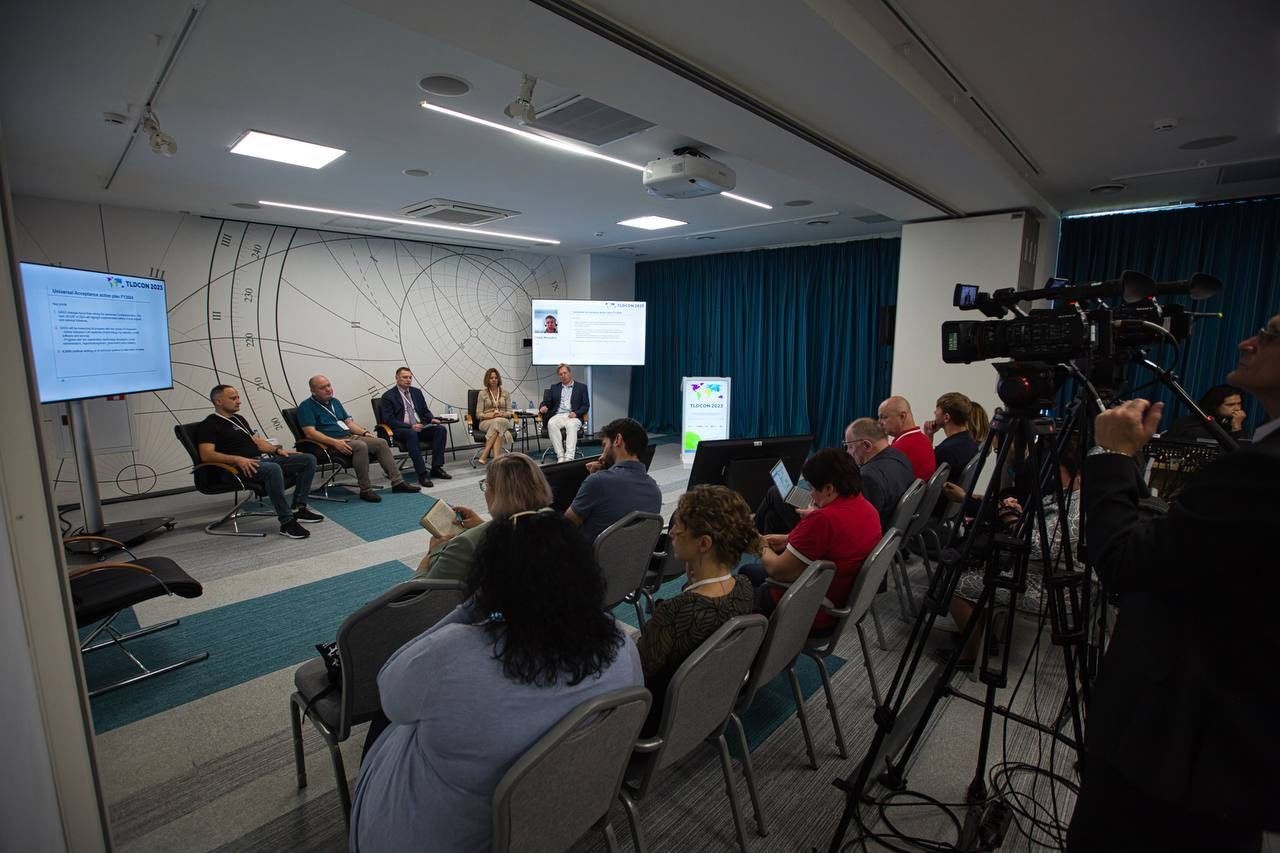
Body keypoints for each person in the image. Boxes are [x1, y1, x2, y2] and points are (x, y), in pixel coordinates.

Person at [1065, 314, 1280, 852]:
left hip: (1182, 746)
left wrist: (1111, 456)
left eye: (1271, 335)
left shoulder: (1264, 471)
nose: (1247, 341)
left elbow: (1124, 562)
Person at [350, 512, 642, 853]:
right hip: (558, 812)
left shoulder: (452, 653)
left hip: (445, 838)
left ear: (490, 584)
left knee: (399, 726)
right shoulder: (621, 645)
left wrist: (468, 610)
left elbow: (389, 693)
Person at [947, 440, 1082, 666]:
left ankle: (973, 654)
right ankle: (980, 635)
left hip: (1052, 588)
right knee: (972, 565)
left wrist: (1009, 517)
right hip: (1042, 573)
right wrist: (1018, 512)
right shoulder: (1065, 496)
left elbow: (1038, 547)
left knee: (956, 584)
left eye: (1056, 472)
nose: (1051, 477)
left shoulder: (1074, 511)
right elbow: (1040, 526)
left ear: (1077, 474)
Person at [636, 485, 756, 733]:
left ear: (704, 543)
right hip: (709, 708)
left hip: (658, 723)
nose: (672, 532)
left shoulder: (673, 613)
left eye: (679, 526)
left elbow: (637, 677)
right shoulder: (744, 587)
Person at [742, 449, 882, 631]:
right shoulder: (867, 508)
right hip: (840, 598)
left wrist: (761, 545)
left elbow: (778, 571)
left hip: (813, 610)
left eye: (812, 488)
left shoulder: (824, 520)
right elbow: (837, 542)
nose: (811, 495)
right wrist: (788, 539)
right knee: (750, 569)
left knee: (741, 586)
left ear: (829, 489)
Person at [196, 385, 323, 539]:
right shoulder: (209, 425)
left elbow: (256, 442)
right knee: (272, 469)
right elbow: (207, 455)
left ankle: (299, 508)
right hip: (233, 469)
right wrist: (238, 459)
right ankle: (287, 522)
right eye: (233, 398)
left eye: (238, 397)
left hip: (258, 462)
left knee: (308, 459)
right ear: (218, 401)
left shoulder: (238, 419)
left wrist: (277, 450)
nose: (239, 401)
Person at [417, 453, 551, 582]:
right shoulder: (552, 521)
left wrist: (431, 553)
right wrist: (482, 524)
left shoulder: (466, 543)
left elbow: (421, 593)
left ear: (497, 493)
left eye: (486, 485)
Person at [298, 374, 420, 502]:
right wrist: (334, 442)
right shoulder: (306, 406)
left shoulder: (335, 402)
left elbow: (349, 423)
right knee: (360, 446)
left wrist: (364, 433)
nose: (328, 389)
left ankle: (398, 482)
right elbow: (310, 433)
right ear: (313, 391)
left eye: (328, 385)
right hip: (329, 443)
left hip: (348, 437)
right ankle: (365, 490)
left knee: (381, 442)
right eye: (323, 388)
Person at [567, 417, 661, 541]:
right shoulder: (654, 490)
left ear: (617, 440)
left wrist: (594, 479)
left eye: (604, 445)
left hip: (588, 553)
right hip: (635, 554)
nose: (601, 456)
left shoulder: (598, 482)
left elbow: (565, 527)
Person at [378, 367, 451, 488]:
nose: (408, 380)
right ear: (396, 378)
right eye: (405, 377)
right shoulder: (388, 396)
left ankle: (436, 468)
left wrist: (431, 418)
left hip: (419, 427)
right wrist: (410, 426)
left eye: (410, 377)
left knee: (440, 429)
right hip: (401, 429)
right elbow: (389, 420)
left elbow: (425, 411)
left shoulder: (416, 392)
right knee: (411, 433)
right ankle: (422, 473)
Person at [845, 418, 916, 529]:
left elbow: (860, 524)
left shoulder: (868, 477)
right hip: (900, 529)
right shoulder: (899, 456)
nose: (848, 452)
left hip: (881, 532)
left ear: (866, 446)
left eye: (850, 447)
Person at [924, 392, 980, 485]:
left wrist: (927, 438)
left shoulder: (945, 451)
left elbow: (925, 475)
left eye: (937, 410)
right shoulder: (971, 443)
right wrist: (930, 435)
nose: (934, 412)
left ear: (946, 417)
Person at [538, 363, 589, 463]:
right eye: (561, 374)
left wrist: (576, 413)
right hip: (558, 415)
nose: (563, 375)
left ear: (570, 373)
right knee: (551, 423)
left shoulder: (581, 387)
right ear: (559, 376)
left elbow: (585, 405)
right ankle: (560, 456)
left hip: (573, 415)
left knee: (571, 425)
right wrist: (543, 407)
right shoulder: (554, 387)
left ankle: (569, 457)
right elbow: (546, 402)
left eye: (565, 373)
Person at [1162, 383, 1249, 442]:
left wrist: (1237, 427)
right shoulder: (1189, 425)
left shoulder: (1235, 423)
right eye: (1231, 404)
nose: (1238, 408)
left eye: (1239, 403)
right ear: (1215, 406)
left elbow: (1242, 453)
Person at [877, 395, 936, 481]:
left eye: (884, 417)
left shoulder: (900, 448)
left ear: (902, 416)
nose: (880, 423)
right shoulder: (924, 439)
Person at [474, 367, 513, 465]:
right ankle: (497, 460)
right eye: (491, 378)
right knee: (497, 425)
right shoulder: (482, 393)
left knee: (498, 422)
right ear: (487, 379)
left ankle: (485, 452)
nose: (494, 380)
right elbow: (478, 415)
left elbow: (510, 413)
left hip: (503, 420)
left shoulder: (506, 393)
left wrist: (502, 414)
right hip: (486, 422)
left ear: (498, 379)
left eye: (495, 378)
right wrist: (491, 415)